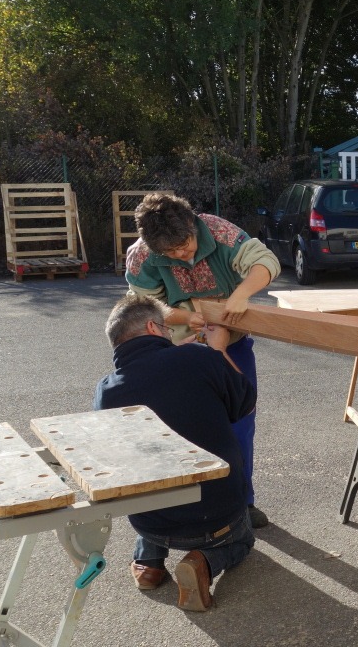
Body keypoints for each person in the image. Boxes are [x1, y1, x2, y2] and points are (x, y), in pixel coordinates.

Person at [126, 192, 280, 528]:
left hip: (231, 343)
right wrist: (184, 317)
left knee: (240, 423)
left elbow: (266, 261)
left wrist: (240, 295)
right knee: (181, 428)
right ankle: (190, 509)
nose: (182, 255)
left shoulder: (220, 232)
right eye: (171, 253)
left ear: (192, 224)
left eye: (185, 245)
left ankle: (243, 503)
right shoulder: (142, 257)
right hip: (177, 350)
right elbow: (145, 307)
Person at [93, 295, 256, 611]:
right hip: (216, 514)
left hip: (150, 521)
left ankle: (149, 565)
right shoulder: (200, 358)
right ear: (153, 327)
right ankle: (204, 561)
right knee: (243, 539)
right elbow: (246, 404)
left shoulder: (106, 391)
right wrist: (218, 351)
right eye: (167, 328)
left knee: (152, 479)